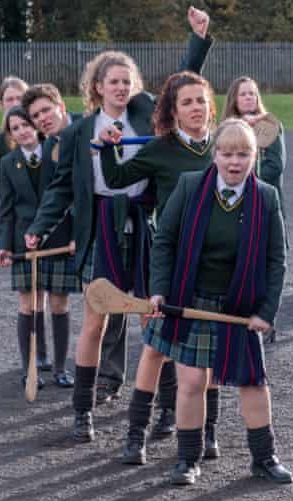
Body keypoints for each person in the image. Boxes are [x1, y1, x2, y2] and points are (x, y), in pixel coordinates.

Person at [24, 7, 213, 443]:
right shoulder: (77, 134)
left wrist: (198, 40)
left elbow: (184, 83)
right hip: (101, 229)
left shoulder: (148, 112)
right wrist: (40, 226)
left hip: (145, 226)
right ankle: (82, 411)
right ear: (98, 87)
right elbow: (60, 190)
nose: (122, 87)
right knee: (96, 323)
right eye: (114, 81)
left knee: (155, 320)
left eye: (127, 81)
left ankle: (167, 411)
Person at [143, 118, 290, 485]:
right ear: (215, 155)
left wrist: (266, 312)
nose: (234, 162)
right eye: (226, 153)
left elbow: (276, 260)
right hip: (191, 299)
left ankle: (264, 458)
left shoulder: (267, 198)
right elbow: (164, 240)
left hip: (239, 305)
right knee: (191, 381)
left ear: (254, 157)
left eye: (243, 154)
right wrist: (159, 289)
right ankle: (187, 459)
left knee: (253, 382)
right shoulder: (191, 186)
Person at [97, 71, 217, 461]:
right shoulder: (160, 148)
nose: (196, 108)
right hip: (170, 262)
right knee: (156, 348)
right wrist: (108, 146)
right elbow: (116, 178)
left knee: (208, 350)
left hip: (214, 263)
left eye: (201, 100)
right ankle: (137, 435)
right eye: (187, 102)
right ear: (172, 111)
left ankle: (208, 432)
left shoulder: (224, 146)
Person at [0, 107, 79, 389]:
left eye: (26, 124)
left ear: (37, 126)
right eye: (15, 128)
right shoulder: (8, 163)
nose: (23, 131)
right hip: (23, 245)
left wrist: (76, 236)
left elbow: (73, 196)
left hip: (59, 242)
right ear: (11, 134)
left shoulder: (57, 152)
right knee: (29, 306)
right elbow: (6, 210)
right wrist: (3, 246)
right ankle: (30, 368)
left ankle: (59, 369)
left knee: (59, 304)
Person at [223, 76, 286, 216]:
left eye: (252, 94)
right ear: (234, 99)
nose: (248, 97)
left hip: (265, 201)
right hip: (233, 204)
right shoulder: (226, 128)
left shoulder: (270, 126)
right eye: (243, 94)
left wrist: (246, 184)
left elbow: (275, 166)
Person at [0, 76, 29, 201]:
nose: (15, 104)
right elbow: (0, 186)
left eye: (20, 98)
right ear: (1, 104)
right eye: (9, 99)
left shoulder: (43, 134)